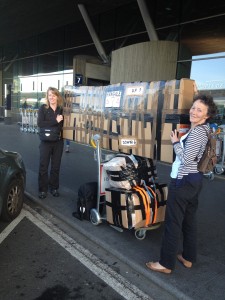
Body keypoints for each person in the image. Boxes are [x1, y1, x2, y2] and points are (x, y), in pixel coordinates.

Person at [146, 94, 217, 274]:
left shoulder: (198, 132)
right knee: (188, 220)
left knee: (173, 223)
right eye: (193, 108)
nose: (193, 111)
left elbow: (186, 158)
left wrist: (176, 142)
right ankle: (188, 257)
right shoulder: (206, 129)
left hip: (183, 180)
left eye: (199, 110)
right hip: (195, 180)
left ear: (207, 115)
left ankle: (166, 263)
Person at [37, 87, 64, 199]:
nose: (51, 97)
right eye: (49, 95)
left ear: (57, 96)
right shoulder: (43, 108)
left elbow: (64, 126)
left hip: (58, 142)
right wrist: (55, 121)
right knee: (43, 166)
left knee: (55, 167)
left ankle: (54, 188)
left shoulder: (61, 109)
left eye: (53, 95)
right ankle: (43, 189)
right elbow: (40, 124)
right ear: (47, 97)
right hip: (45, 142)